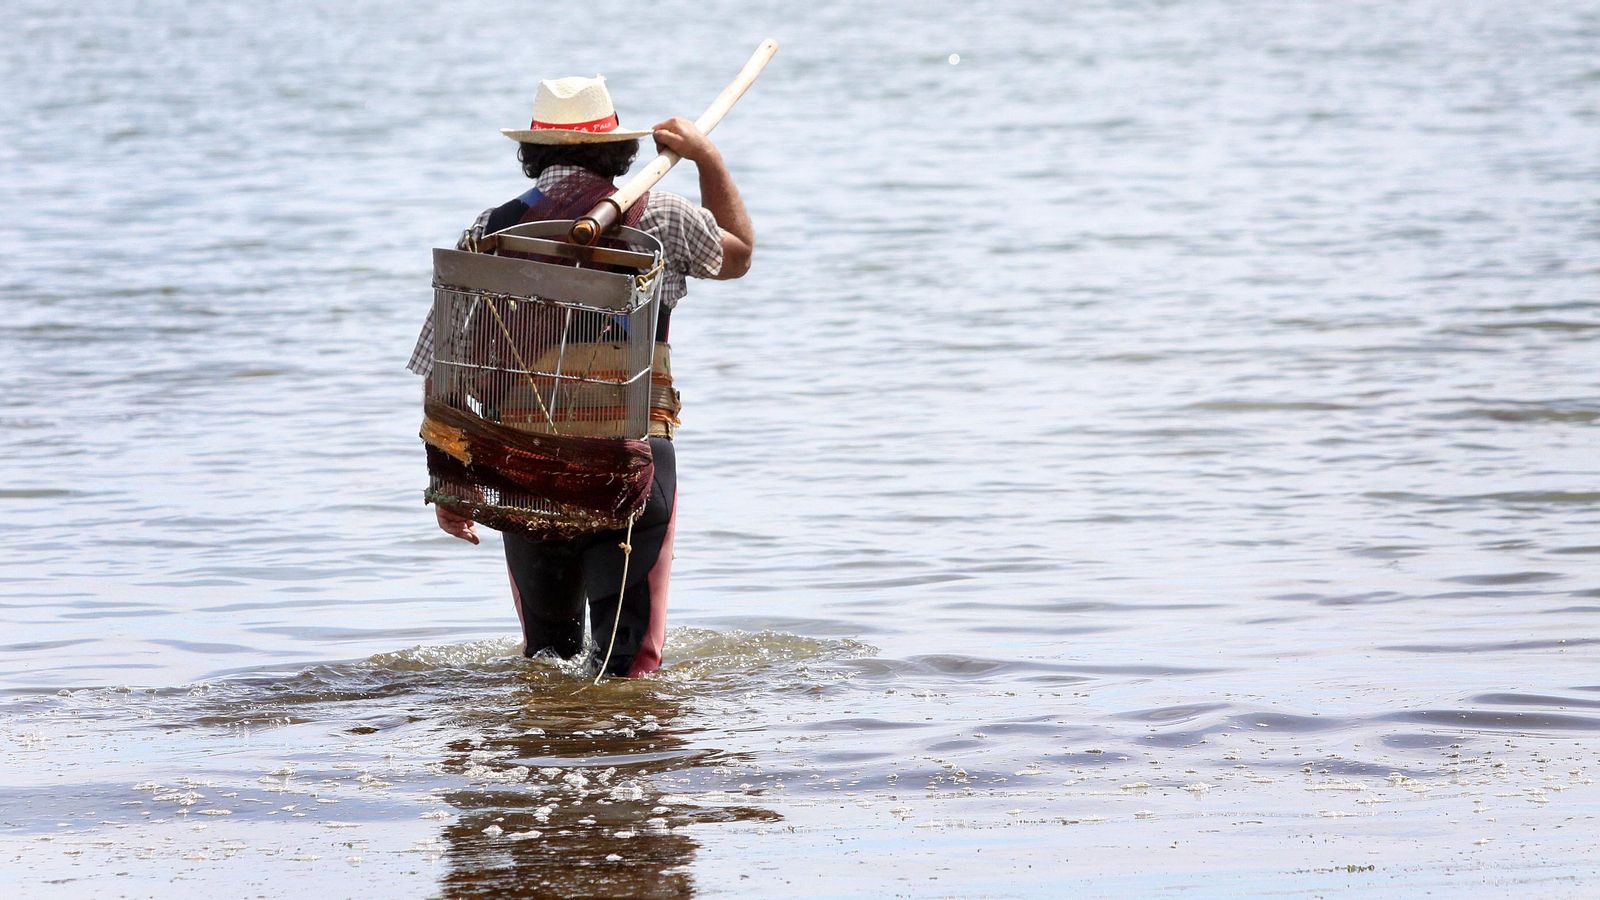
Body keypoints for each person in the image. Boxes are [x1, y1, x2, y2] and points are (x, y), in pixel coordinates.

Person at [407, 75, 753, 677]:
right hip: (629, 464)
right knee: (630, 670)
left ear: (534, 152)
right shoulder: (664, 217)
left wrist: (452, 478)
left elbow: (443, 368)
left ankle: (548, 755)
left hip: (525, 468)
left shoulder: (490, 232)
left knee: (546, 660)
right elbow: (740, 255)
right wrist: (708, 158)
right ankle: (626, 758)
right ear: (619, 151)